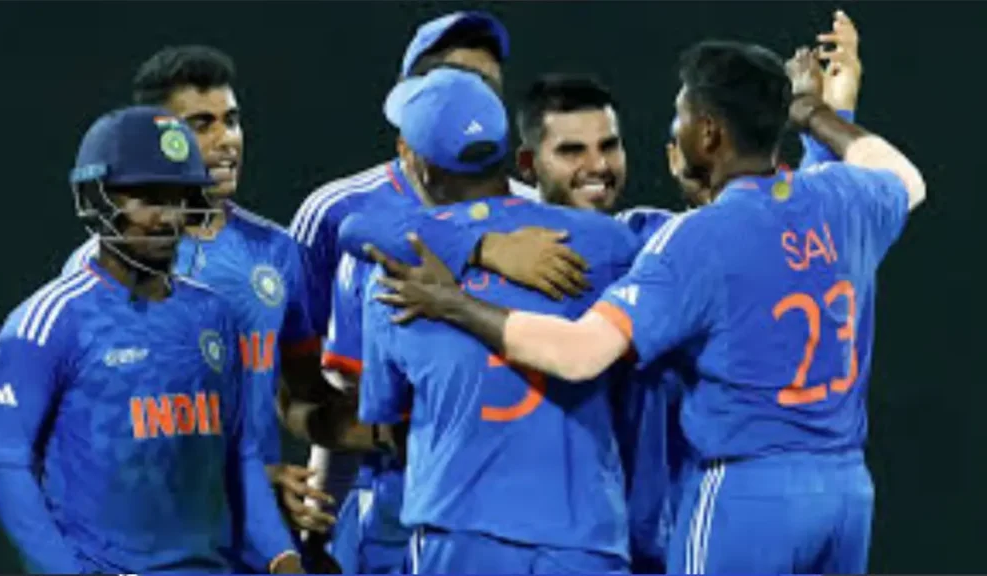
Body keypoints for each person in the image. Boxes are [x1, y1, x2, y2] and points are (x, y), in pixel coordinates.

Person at [366, 36, 925, 574]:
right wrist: (815, 112)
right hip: (846, 491)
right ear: (526, 163)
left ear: (708, 133)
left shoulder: (686, 241)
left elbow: (580, 354)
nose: (671, 129)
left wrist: (456, 302)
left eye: (680, 115)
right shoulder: (841, 201)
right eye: (572, 150)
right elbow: (905, 178)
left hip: (744, 494)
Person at [285, 12, 585, 574]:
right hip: (386, 503)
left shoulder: (539, 217)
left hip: (525, 506)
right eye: (451, 82)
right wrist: (315, 529)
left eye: (485, 88)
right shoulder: (335, 214)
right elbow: (309, 388)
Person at [0, 106, 303, 575]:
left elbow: (240, 454)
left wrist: (281, 556)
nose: (167, 217)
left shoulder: (215, 315)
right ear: (98, 197)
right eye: (147, 197)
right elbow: (1, 461)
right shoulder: (48, 321)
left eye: (179, 197)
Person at [60, 46, 336, 572]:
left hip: (254, 547)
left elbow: (303, 397)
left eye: (231, 121)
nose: (225, 140)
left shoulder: (277, 253)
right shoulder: (103, 265)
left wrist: (398, 423)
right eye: (201, 125)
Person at [360, 67, 637, 574]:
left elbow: (388, 419)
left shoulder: (394, 271)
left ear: (417, 163)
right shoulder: (611, 246)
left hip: (457, 531)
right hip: (583, 534)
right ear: (512, 155)